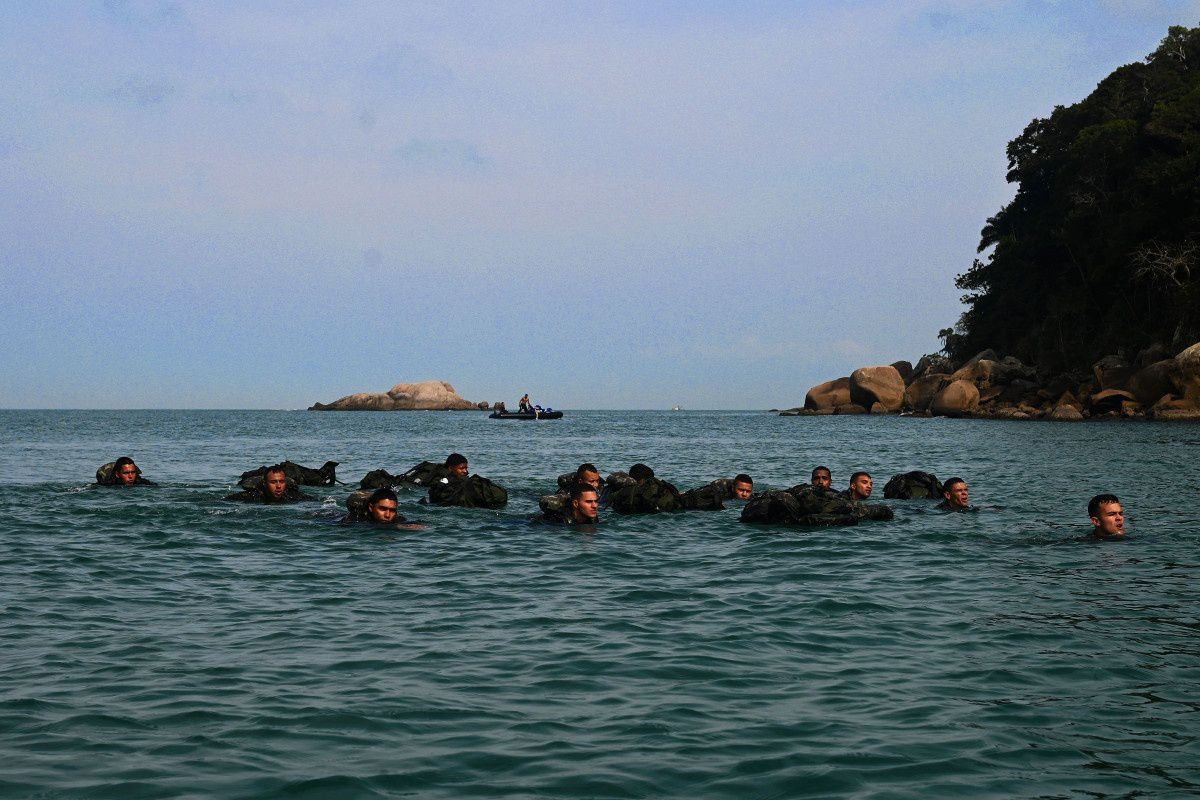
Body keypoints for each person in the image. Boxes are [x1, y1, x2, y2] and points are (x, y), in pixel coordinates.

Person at [224, 464, 313, 504]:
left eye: (281, 482)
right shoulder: (252, 496)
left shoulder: (293, 496)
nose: (278, 486)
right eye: (273, 482)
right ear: (265, 484)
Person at [345, 487, 424, 528]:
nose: (387, 515)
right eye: (382, 509)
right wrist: (396, 527)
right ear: (371, 507)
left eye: (392, 510)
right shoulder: (356, 518)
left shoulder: (397, 519)